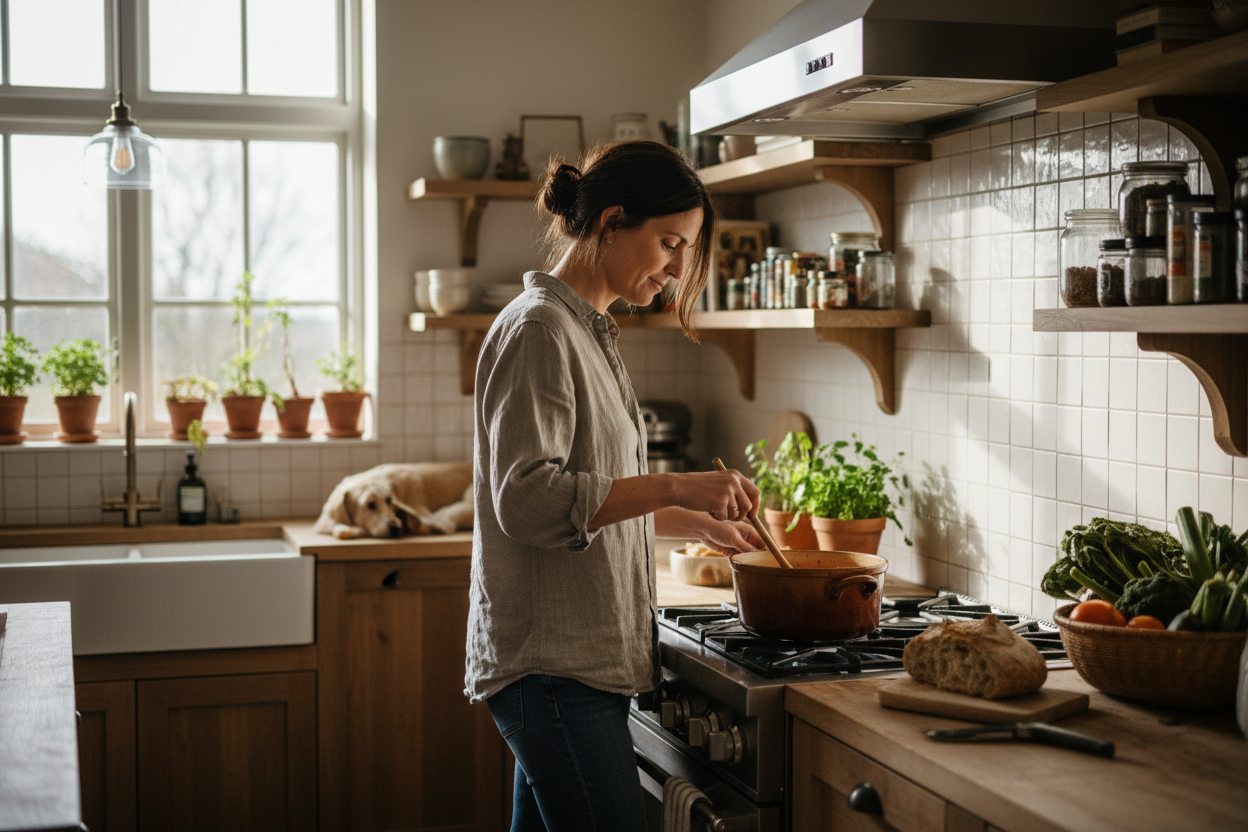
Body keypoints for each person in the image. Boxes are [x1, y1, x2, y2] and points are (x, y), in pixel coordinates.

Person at [465, 140, 765, 832]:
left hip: (572, 666)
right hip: (554, 671)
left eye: (687, 249)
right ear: (611, 222)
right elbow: (531, 501)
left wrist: (701, 524)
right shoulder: (541, 330)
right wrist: (673, 487)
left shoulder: (585, 330)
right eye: (669, 242)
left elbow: (590, 501)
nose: (679, 267)